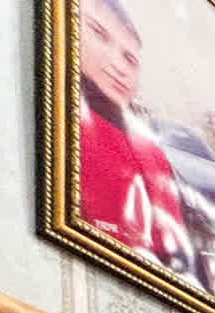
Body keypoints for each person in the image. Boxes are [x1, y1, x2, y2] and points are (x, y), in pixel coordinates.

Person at [77, 0, 195, 281]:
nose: (119, 66)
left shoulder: (151, 154)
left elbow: (175, 257)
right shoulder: (61, 121)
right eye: (99, 34)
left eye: (130, 59)